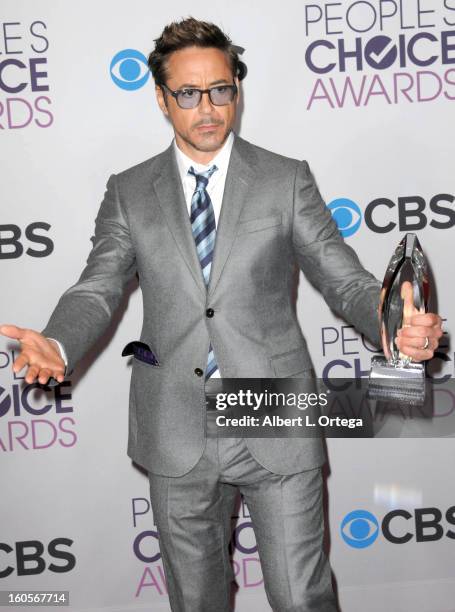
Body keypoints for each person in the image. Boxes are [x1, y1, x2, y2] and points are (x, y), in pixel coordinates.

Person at [0, 17, 443, 612]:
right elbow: (97, 287)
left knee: (302, 597)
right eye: (187, 93)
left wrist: (394, 326)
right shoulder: (130, 191)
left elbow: (344, 279)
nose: (207, 108)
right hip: (174, 422)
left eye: (220, 89)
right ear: (161, 98)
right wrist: (58, 343)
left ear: (237, 87)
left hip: (275, 412)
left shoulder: (285, 179)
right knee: (196, 602)